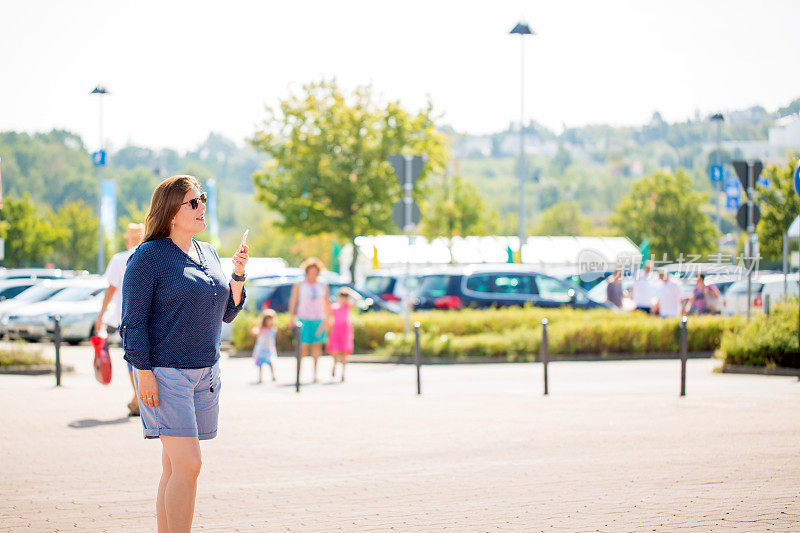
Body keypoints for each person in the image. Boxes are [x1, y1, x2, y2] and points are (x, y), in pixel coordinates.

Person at [121, 175, 248, 533]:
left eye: (202, 199)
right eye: (193, 202)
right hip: (165, 374)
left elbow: (225, 312)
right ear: (171, 212)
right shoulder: (148, 257)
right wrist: (143, 374)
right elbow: (132, 322)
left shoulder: (206, 251)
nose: (201, 206)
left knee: (175, 467)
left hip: (206, 373)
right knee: (190, 465)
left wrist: (237, 273)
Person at [94, 222, 144, 416]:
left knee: (132, 360)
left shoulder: (120, 259)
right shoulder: (149, 256)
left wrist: (101, 315)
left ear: (128, 239)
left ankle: (139, 400)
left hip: (126, 318)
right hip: (147, 317)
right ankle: (137, 399)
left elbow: (111, 289)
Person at [287, 257, 331, 383]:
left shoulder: (322, 283)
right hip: (303, 319)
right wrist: (291, 318)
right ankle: (299, 374)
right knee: (303, 348)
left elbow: (326, 302)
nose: (313, 274)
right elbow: (293, 301)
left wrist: (327, 319)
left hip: (318, 319)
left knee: (317, 347)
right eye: (311, 271)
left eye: (315, 271)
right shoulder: (300, 283)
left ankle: (315, 374)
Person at [327, 287, 358, 382]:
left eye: (345, 297)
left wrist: (349, 291)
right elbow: (328, 319)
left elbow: (357, 299)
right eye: (341, 296)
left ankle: (343, 373)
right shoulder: (334, 307)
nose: (343, 298)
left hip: (345, 331)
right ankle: (334, 367)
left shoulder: (347, 306)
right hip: (336, 330)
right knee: (335, 352)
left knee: (344, 353)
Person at [250, 309, 277, 383]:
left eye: (271, 320)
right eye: (268, 320)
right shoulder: (262, 329)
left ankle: (273, 375)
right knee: (260, 364)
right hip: (261, 349)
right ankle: (260, 377)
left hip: (269, 349)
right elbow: (255, 331)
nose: (269, 321)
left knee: (270, 363)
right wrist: (255, 331)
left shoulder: (273, 329)